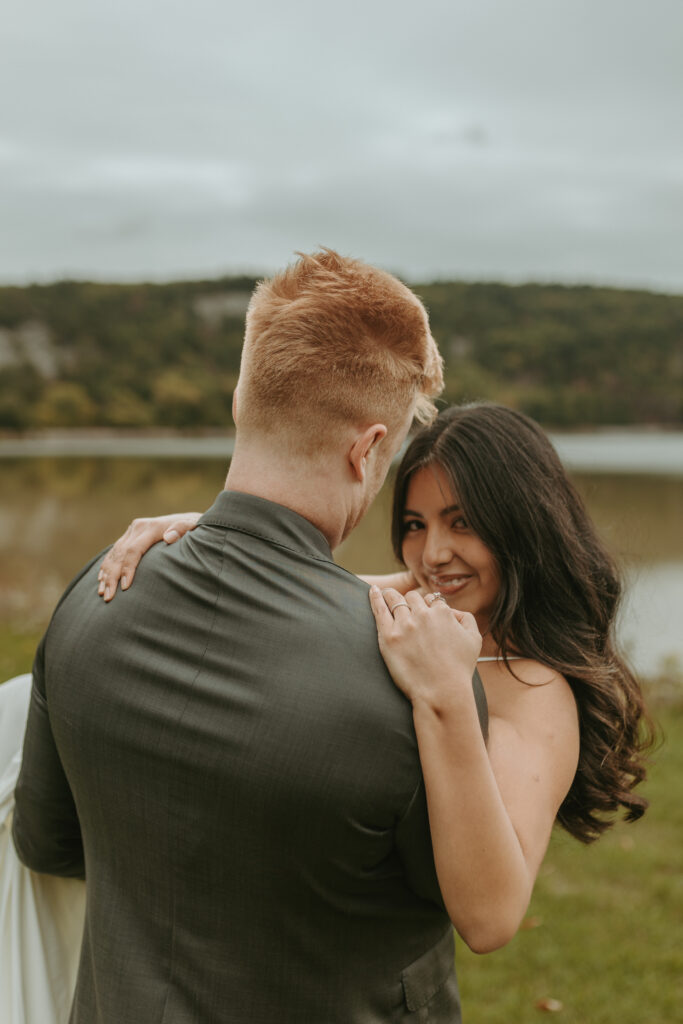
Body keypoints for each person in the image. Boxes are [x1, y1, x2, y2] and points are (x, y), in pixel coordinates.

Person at [10, 248, 464, 1024]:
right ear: (365, 450)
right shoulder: (414, 674)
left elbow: (48, 843)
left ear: (238, 402)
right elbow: (452, 897)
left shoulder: (94, 595)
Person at [99, 402, 653, 982]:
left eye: (462, 522)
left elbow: (492, 918)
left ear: (522, 522)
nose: (434, 554)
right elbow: (308, 590)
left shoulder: (534, 688)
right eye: (416, 525)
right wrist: (200, 535)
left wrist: (446, 694)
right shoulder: (423, 599)